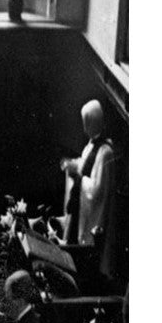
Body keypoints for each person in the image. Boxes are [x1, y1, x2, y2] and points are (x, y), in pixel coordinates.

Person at [60, 100, 116, 246]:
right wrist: (73, 164)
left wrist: (78, 178)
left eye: (87, 123)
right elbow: (85, 165)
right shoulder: (90, 145)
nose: (84, 128)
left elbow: (97, 190)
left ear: (94, 122)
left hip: (91, 216)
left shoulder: (105, 152)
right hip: (80, 208)